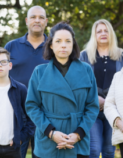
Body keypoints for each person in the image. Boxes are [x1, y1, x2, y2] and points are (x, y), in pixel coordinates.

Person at [25, 22, 99, 158]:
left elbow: (92, 107)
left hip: (77, 140)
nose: (63, 45)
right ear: (51, 45)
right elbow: (32, 106)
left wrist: (78, 134)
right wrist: (51, 133)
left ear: (73, 45)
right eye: (58, 41)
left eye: (68, 41)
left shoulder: (86, 70)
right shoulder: (39, 72)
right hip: (48, 140)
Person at [79, 19, 123, 158]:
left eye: (106, 30)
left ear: (111, 33)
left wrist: (109, 102)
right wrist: (94, 98)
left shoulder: (122, 55)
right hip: (91, 110)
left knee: (109, 151)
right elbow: (79, 82)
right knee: (94, 150)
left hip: (114, 111)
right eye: (99, 31)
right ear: (94, 35)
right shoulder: (84, 55)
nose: (103, 33)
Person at [4, 6, 48, 158]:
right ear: (26, 20)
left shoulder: (54, 47)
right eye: (33, 17)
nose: (37, 20)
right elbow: (0, 77)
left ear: (46, 22)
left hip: (45, 113)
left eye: (41, 17)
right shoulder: (11, 46)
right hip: (16, 112)